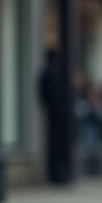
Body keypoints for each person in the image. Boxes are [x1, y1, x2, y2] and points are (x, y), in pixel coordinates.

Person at [38, 49, 70, 184]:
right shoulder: (51, 75)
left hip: (56, 115)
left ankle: (58, 174)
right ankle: (56, 174)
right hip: (56, 115)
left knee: (57, 144)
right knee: (56, 145)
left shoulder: (50, 74)